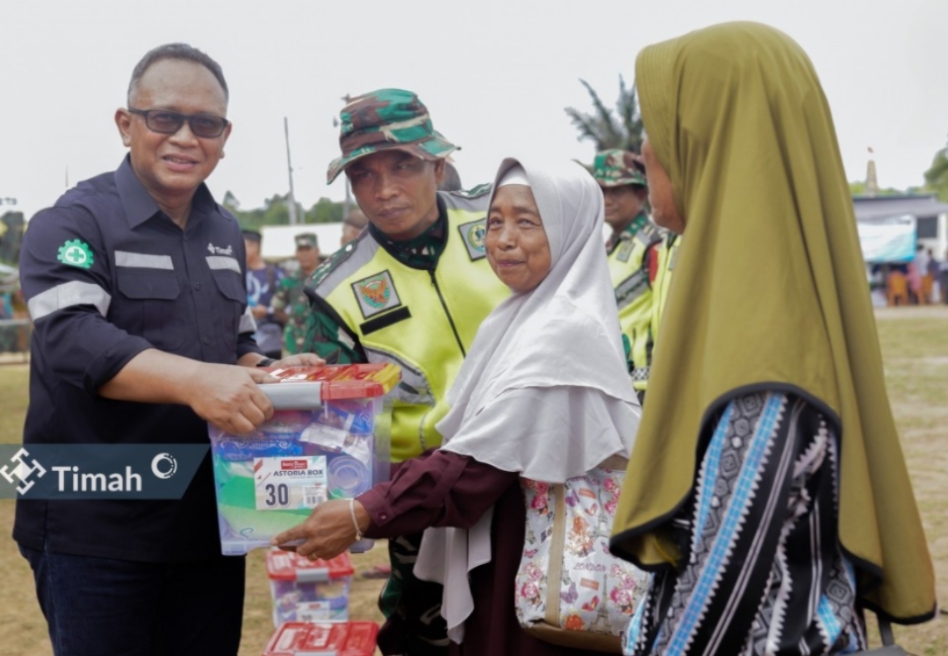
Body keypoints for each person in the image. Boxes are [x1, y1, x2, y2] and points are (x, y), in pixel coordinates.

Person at [609, 23, 937, 656]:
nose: (646, 148)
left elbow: (721, 602)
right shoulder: (759, 304)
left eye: (658, 124)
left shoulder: (760, 357)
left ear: (705, 136)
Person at [14, 43, 320, 655]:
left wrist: (271, 371)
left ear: (224, 136)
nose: (185, 137)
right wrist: (195, 382)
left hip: (205, 519)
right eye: (165, 118)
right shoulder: (70, 222)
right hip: (91, 518)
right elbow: (71, 339)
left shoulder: (225, 231)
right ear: (126, 124)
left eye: (204, 124)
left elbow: (233, 342)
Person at [274, 157, 641, 655]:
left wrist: (364, 512)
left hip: (541, 566)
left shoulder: (565, 331)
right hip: (504, 548)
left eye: (527, 222)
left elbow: (476, 466)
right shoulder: (516, 316)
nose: (503, 239)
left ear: (570, 230)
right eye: (494, 221)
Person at [303, 88, 511, 655]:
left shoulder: (502, 219)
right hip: (425, 502)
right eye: (364, 175)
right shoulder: (335, 288)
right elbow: (332, 426)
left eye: (404, 165)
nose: (386, 189)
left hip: (533, 478)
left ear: (437, 164)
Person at [593, 150, 662, 400]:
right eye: (602, 191)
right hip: (614, 382)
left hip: (647, 386)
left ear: (641, 194)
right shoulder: (607, 247)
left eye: (618, 191)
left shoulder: (655, 243)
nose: (607, 200)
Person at [272, 232, 320, 355]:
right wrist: (294, 322)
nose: (304, 255)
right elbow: (277, 308)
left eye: (308, 249)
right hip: (294, 344)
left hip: (323, 341)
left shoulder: (328, 277)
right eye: (300, 250)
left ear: (317, 251)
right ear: (296, 253)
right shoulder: (289, 280)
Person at [244, 229, 285, 358]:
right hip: (245, 342)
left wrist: (267, 311)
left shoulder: (275, 274)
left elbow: (289, 308)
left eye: (241, 246)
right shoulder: (238, 274)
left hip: (271, 340)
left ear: (254, 247)